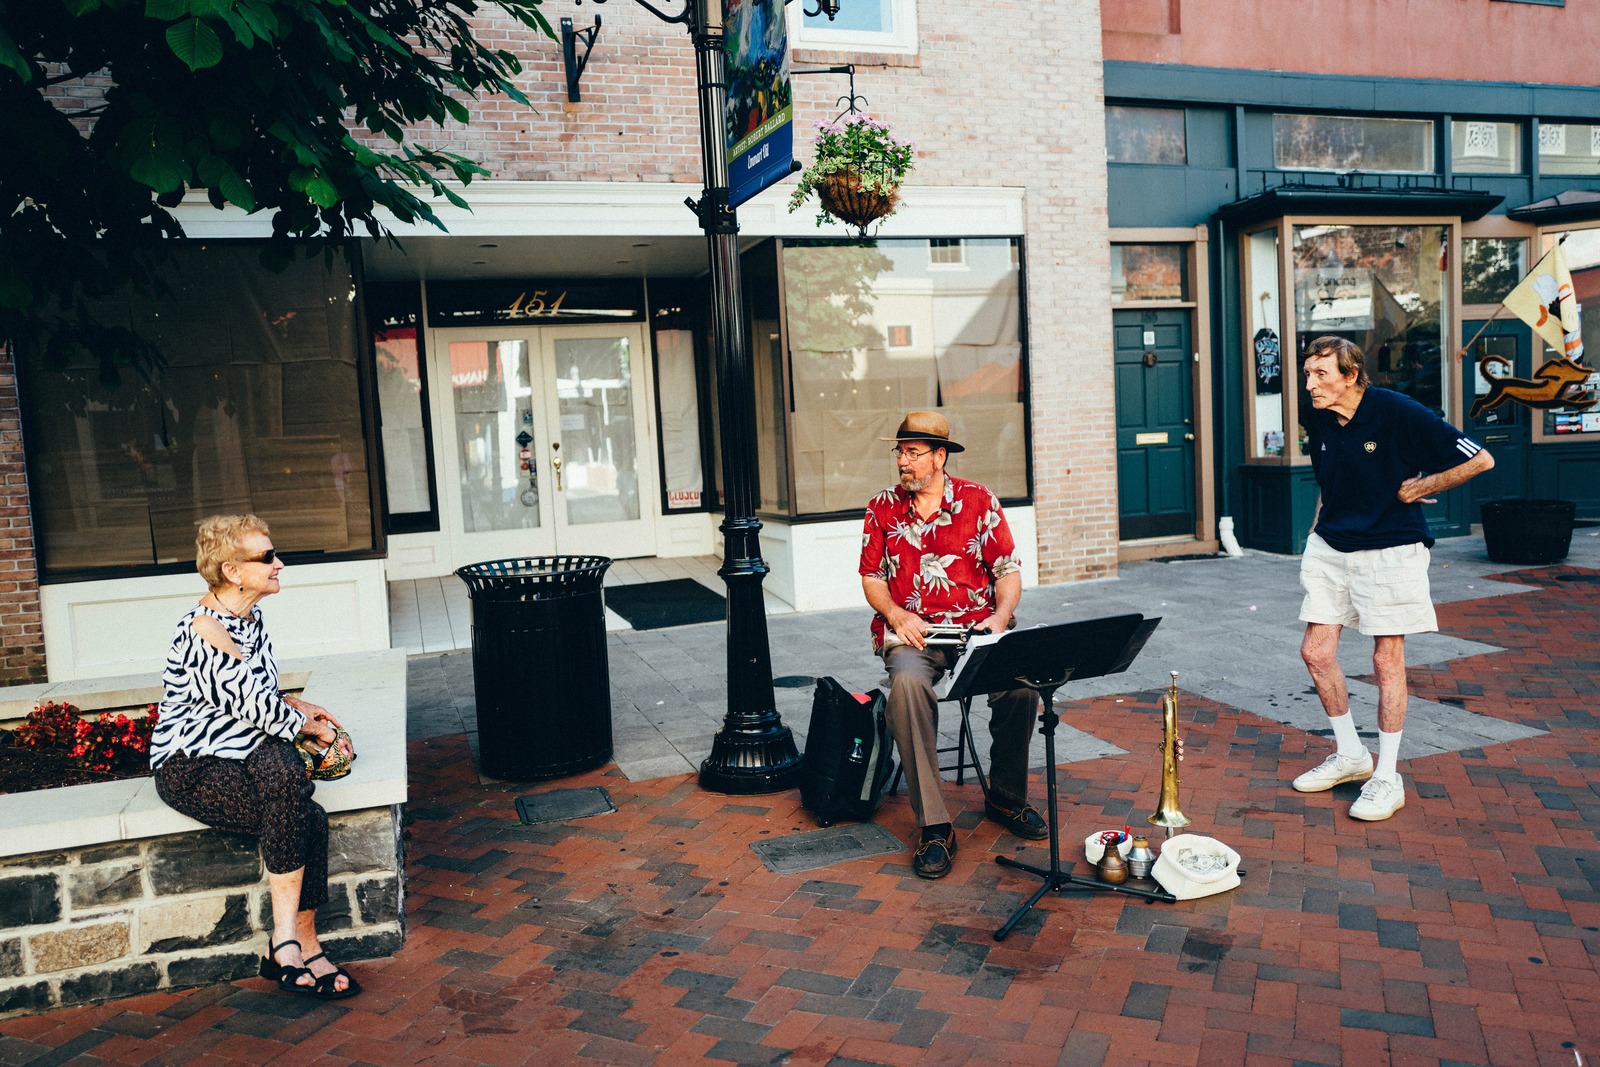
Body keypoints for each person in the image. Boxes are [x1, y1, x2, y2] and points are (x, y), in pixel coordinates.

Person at [151, 514, 361, 999]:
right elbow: (255, 707)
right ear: (231, 570)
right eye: (266, 557)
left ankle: (294, 944)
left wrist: (298, 705)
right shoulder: (204, 630)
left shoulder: (250, 619)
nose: (278, 563)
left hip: (242, 751)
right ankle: (290, 941)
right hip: (192, 765)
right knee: (300, 807)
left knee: (295, 796)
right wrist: (315, 731)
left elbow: (258, 694)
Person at [1292, 336, 1494, 821]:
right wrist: (1318, 525)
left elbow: (1480, 459)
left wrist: (1423, 485)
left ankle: (1387, 776)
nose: (1310, 384)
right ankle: (1350, 755)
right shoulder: (1317, 416)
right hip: (1331, 546)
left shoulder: (1397, 411)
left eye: (1321, 374)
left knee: (1386, 661)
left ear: (1351, 375)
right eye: (1307, 374)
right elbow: (1330, 478)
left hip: (1391, 550)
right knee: (1316, 652)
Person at [859, 411, 1046, 880]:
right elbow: (872, 577)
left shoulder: (979, 501)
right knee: (906, 688)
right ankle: (935, 826)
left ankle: (1005, 798)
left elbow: (1007, 572)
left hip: (975, 631)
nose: (902, 461)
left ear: (939, 456)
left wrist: (999, 618)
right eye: (900, 452)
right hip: (913, 635)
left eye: (912, 452)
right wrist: (896, 615)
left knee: (1022, 687)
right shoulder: (882, 507)